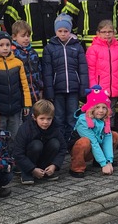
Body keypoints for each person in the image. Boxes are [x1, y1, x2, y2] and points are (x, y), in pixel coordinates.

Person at [42, 14, 89, 144]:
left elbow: (83, 69)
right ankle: (60, 141)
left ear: (70, 31)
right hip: (57, 90)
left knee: (72, 116)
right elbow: (47, 72)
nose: (63, 34)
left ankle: (71, 141)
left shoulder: (77, 46)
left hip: (73, 89)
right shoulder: (49, 48)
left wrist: (83, 89)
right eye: (60, 31)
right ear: (55, 31)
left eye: (66, 31)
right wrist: (49, 91)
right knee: (58, 117)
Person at [0, 31, 32, 141]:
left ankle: (12, 156)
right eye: (1, 45)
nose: (5, 48)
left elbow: (24, 84)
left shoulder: (17, 63)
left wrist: (27, 104)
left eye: (8, 45)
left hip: (15, 108)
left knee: (14, 135)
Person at [69, 85, 118, 178]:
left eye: (104, 107)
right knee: (85, 142)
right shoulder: (83, 120)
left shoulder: (105, 119)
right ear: (91, 108)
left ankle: (98, 161)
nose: (101, 111)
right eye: (97, 107)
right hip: (83, 149)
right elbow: (93, 142)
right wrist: (103, 164)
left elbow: (107, 139)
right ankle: (76, 167)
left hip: (95, 148)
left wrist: (109, 161)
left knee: (114, 135)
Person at [12, 99, 67, 185]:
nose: (45, 122)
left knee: (55, 143)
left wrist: (55, 165)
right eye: (42, 118)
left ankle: (47, 170)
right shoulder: (25, 129)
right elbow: (17, 152)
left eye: (49, 119)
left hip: (44, 157)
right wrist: (31, 169)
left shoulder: (55, 127)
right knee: (36, 145)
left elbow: (63, 148)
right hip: (29, 158)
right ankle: (27, 173)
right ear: (34, 117)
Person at [86, 19, 118, 131]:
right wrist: (94, 87)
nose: (107, 34)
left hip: (114, 87)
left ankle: (111, 135)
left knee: (111, 112)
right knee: (99, 112)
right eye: (104, 32)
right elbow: (91, 70)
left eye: (110, 31)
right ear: (98, 33)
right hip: (100, 88)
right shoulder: (93, 49)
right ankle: (99, 133)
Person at [11, 20, 44, 109]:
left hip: (36, 92)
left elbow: (39, 71)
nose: (26, 38)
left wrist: (41, 88)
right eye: (23, 36)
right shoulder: (12, 53)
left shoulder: (33, 53)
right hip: (22, 94)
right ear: (14, 37)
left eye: (28, 36)